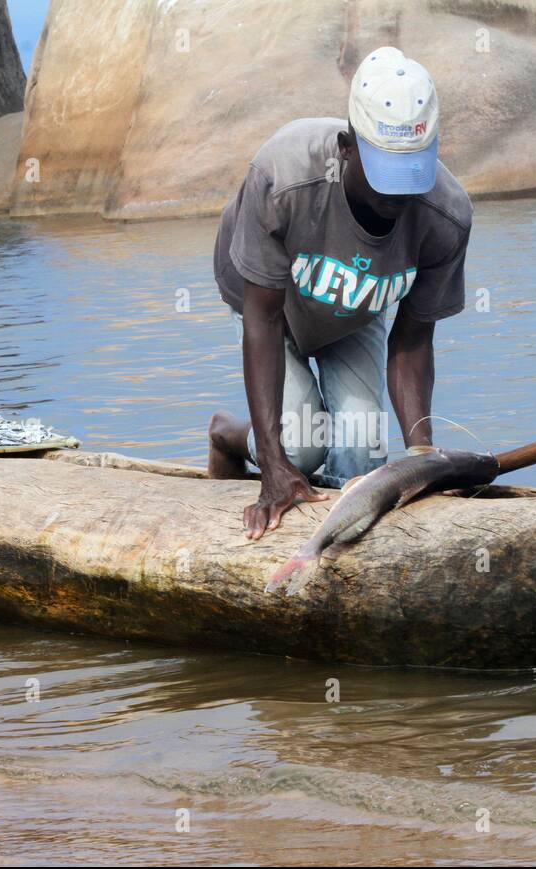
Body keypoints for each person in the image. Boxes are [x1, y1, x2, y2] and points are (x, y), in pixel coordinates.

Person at [208, 47, 473, 539]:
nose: (398, 197)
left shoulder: (446, 216)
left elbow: (413, 339)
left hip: (355, 303)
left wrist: (422, 459)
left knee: (359, 457)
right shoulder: (284, 177)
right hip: (273, 300)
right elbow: (261, 319)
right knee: (302, 448)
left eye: (411, 174)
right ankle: (229, 435)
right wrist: (271, 464)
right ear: (347, 147)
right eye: (385, 176)